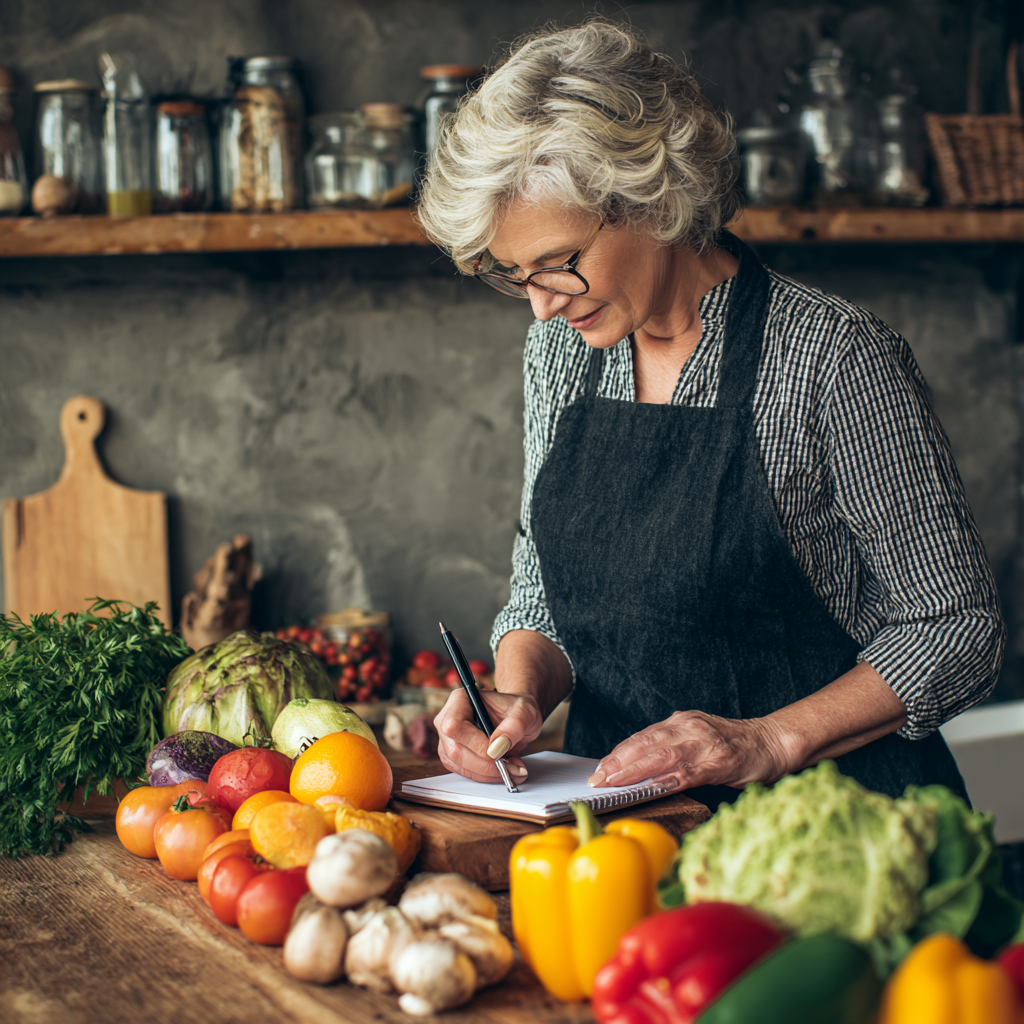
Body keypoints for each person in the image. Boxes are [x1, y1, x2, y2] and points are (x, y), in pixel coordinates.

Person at [417, 20, 1004, 806]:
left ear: (651, 197)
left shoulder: (831, 358)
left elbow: (957, 626)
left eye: (558, 265)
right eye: (512, 275)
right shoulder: (560, 354)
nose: (539, 309)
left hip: (834, 830)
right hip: (624, 828)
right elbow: (543, 588)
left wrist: (764, 738)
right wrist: (519, 695)